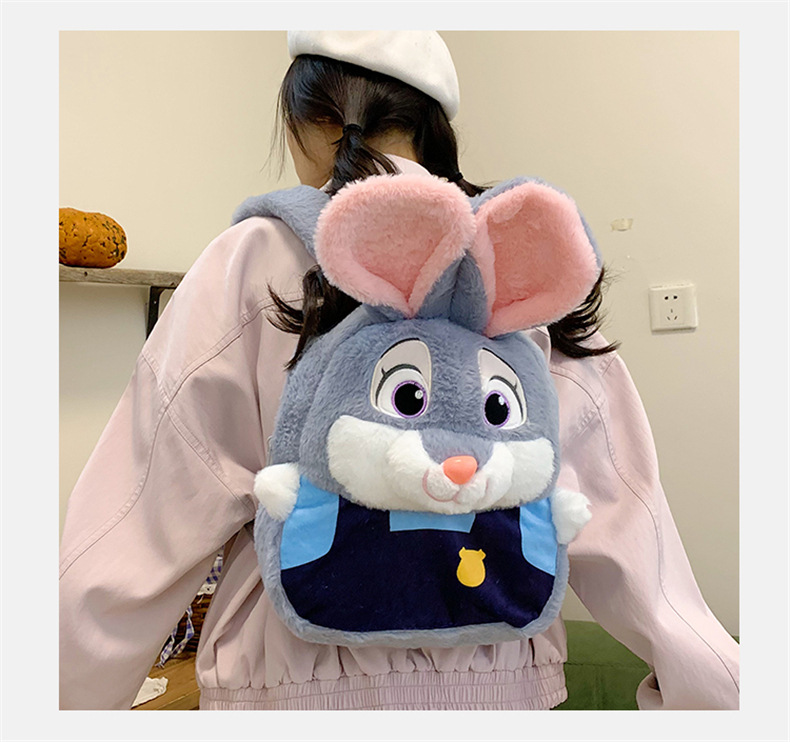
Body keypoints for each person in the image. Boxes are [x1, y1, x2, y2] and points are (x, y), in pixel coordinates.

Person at [58, 30, 739, 710]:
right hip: (503, 687)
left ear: (303, 121)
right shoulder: (514, 256)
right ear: (431, 127)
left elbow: (134, 528)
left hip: (290, 691)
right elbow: (629, 530)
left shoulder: (252, 261)